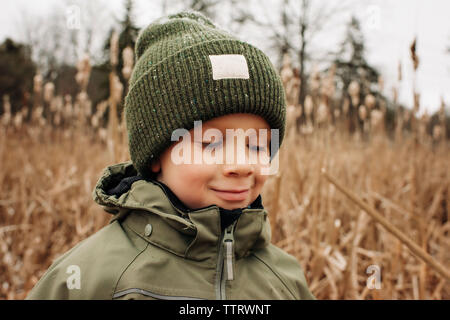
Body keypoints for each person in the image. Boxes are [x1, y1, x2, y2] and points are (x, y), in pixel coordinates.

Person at [26, 11, 315, 300]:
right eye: (211, 144)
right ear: (155, 155)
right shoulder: (87, 279)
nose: (241, 165)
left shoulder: (285, 281)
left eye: (256, 146)